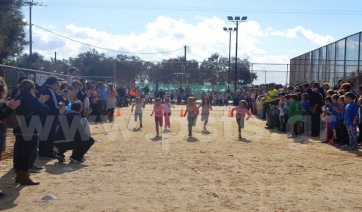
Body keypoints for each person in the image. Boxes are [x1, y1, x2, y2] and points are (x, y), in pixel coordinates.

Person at [13, 79, 50, 185]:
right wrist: (42, 101)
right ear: (32, 88)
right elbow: (45, 110)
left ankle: (19, 175)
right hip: (31, 128)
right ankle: (25, 176)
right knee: (27, 154)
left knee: (20, 152)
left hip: (18, 128)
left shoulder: (18, 97)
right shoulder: (31, 98)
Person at [37, 76, 61, 159]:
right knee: (50, 135)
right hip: (51, 115)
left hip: (43, 114)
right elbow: (55, 104)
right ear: (54, 83)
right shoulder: (50, 91)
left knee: (43, 134)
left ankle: (42, 152)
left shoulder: (42, 89)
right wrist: (60, 107)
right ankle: (48, 152)